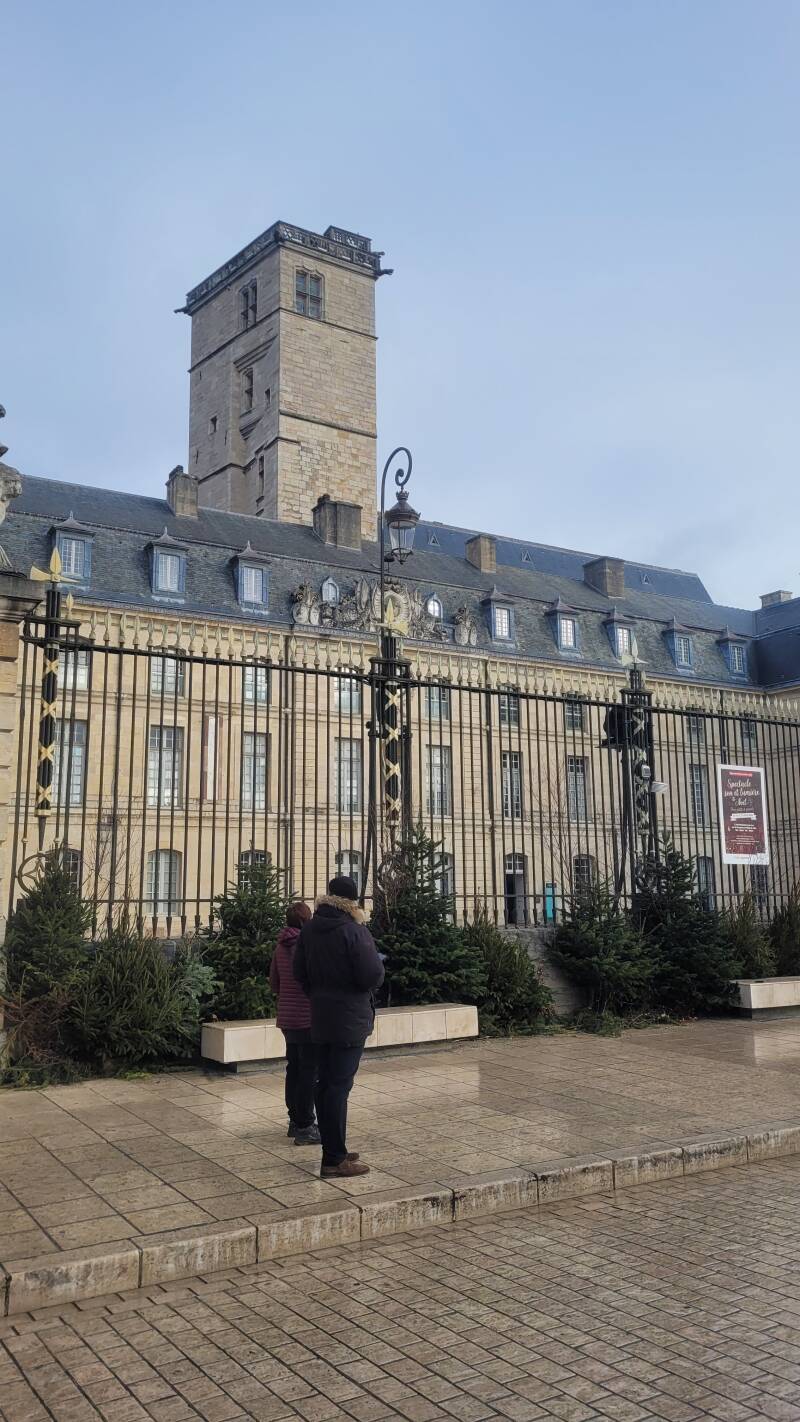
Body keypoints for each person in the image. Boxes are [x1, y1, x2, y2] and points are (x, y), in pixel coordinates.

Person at [292, 875, 384, 1177]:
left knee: (325, 1084)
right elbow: (371, 975)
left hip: (321, 1015)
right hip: (349, 1018)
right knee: (338, 1087)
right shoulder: (353, 930)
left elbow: (300, 972)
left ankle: (334, 1146)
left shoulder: (310, 929)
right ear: (353, 901)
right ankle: (334, 1158)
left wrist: (319, 995)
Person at [269, 900, 320, 1146]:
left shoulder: (280, 946)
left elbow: (274, 983)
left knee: (294, 1068)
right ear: (305, 920)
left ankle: (294, 1119)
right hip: (307, 1015)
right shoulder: (308, 944)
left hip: (287, 1016)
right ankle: (305, 1124)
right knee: (309, 1071)